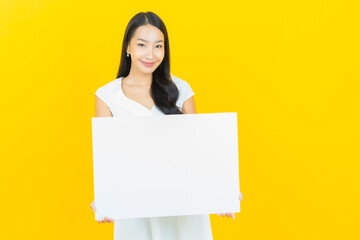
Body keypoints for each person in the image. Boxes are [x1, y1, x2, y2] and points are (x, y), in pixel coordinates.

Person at [90, 11, 243, 239]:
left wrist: (221, 191)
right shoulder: (107, 96)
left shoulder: (180, 90)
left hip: (184, 206)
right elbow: (109, 159)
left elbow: (198, 151)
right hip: (136, 208)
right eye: (142, 45)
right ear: (128, 47)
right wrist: (106, 197)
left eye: (158, 46)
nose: (150, 54)